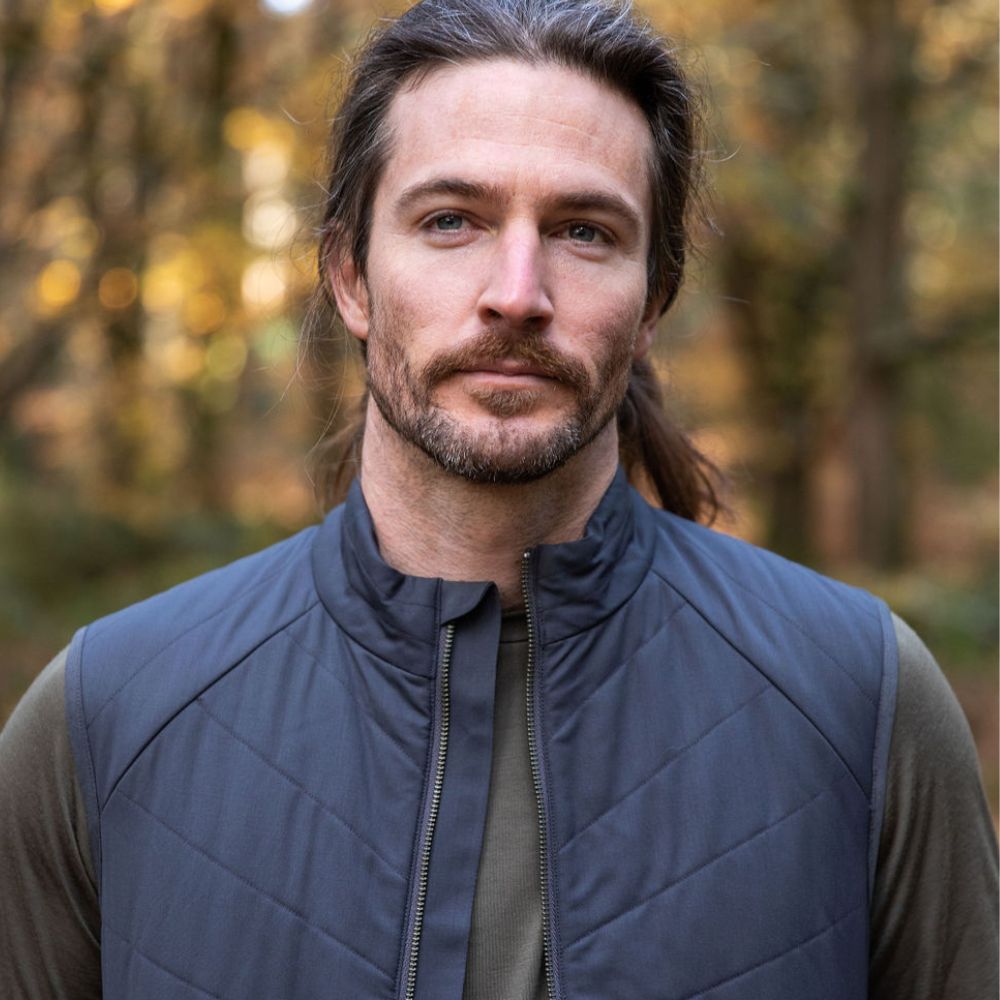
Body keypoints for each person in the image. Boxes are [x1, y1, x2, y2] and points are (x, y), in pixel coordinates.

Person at [1, 0, 996, 997]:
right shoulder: (108, 717)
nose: (516, 291)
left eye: (583, 230)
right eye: (450, 222)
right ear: (349, 275)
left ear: (652, 302)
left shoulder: (857, 700)